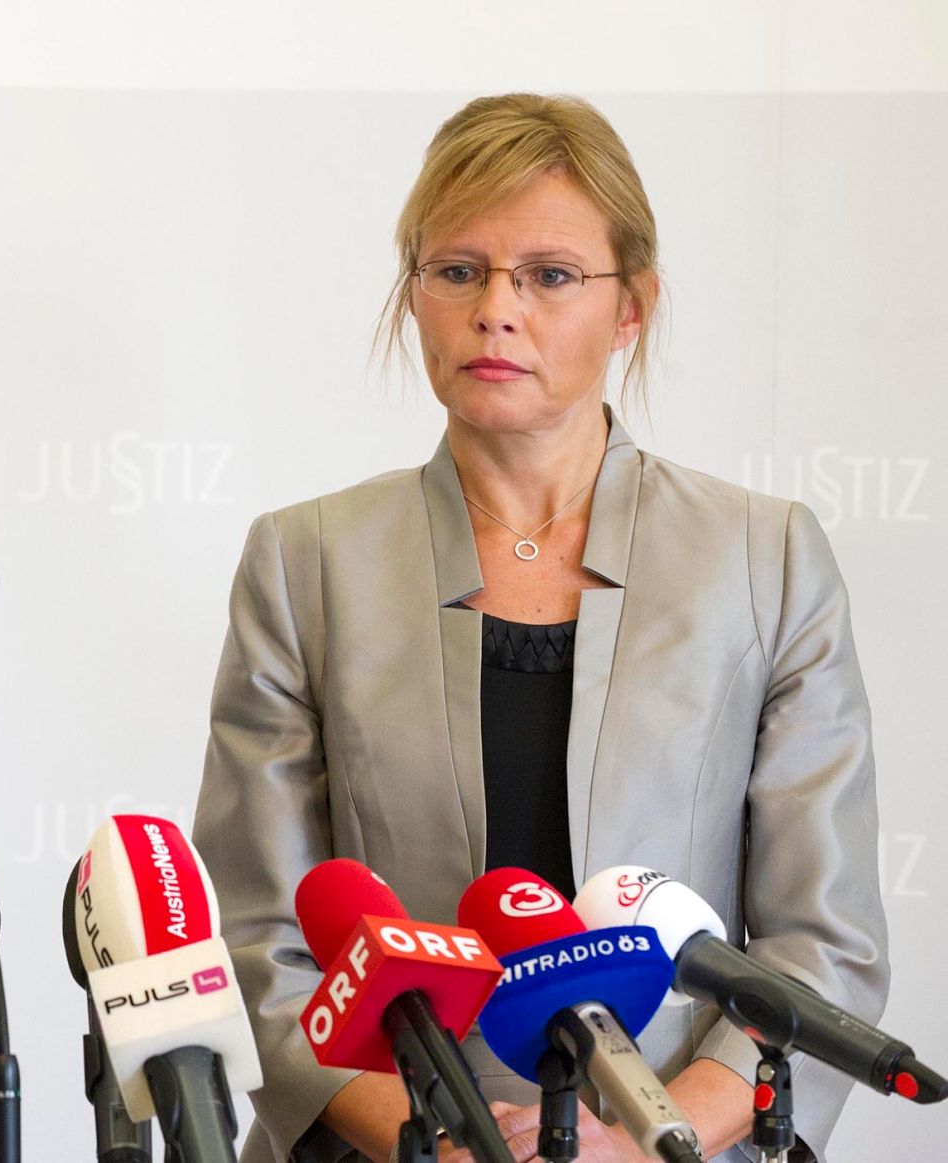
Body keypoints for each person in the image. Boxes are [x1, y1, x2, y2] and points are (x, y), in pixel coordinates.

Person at [193, 93, 888, 1163]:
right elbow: (260, 942)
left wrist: (646, 1137)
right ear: (413, 295)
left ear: (630, 307)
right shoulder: (304, 560)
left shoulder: (765, 557)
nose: (495, 310)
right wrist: (441, 1142)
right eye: (457, 270)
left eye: (549, 274)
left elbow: (820, 947)